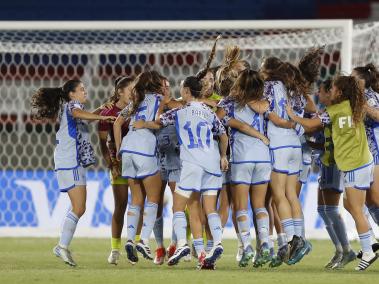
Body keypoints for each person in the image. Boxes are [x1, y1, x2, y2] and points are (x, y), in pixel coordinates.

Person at [133, 76, 228, 269]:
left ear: (186, 92)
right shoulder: (209, 113)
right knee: (208, 208)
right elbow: (223, 134)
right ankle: (213, 247)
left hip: (192, 162)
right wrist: (223, 156)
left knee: (178, 207)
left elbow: (158, 121)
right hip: (212, 161)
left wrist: (148, 119)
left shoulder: (179, 112)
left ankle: (183, 245)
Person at [287, 75, 378, 271]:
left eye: (334, 89)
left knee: (354, 208)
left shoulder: (334, 111)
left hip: (353, 164)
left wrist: (291, 114)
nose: (331, 92)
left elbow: (311, 125)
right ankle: (369, 239)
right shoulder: (356, 106)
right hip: (364, 161)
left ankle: (368, 250)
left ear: (340, 92)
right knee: (349, 204)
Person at [30, 79, 115, 266]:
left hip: (72, 161)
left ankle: (62, 246)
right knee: (78, 207)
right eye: (82, 89)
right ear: (72, 94)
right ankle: (61, 246)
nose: (85, 92)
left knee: (79, 207)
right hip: (70, 161)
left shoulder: (71, 107)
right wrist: (102, 117)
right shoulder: (72, 106)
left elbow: (82, 116)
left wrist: (99, 110)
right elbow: (77, 113)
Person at [114, 70, 163, 264]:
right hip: (144, 148)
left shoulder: (135, 102)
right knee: (153, 198)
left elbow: (117, 123)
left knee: (135, 199)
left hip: (127, 149)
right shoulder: (159, 99)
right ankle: (143, 240)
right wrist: (147, 124)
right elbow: (159, 123)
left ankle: (129, 239)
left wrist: (119, 149)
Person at [98, 76, 135, 265]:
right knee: (121, 206)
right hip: (119, 163)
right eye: (130, 90)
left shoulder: (138, 108)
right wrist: (111, 164)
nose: (133, 93)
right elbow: (103, 144)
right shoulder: (109, 112)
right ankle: (114, 249)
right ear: (120, 91)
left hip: (137, 163)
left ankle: (134, 245)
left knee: (138, 205)